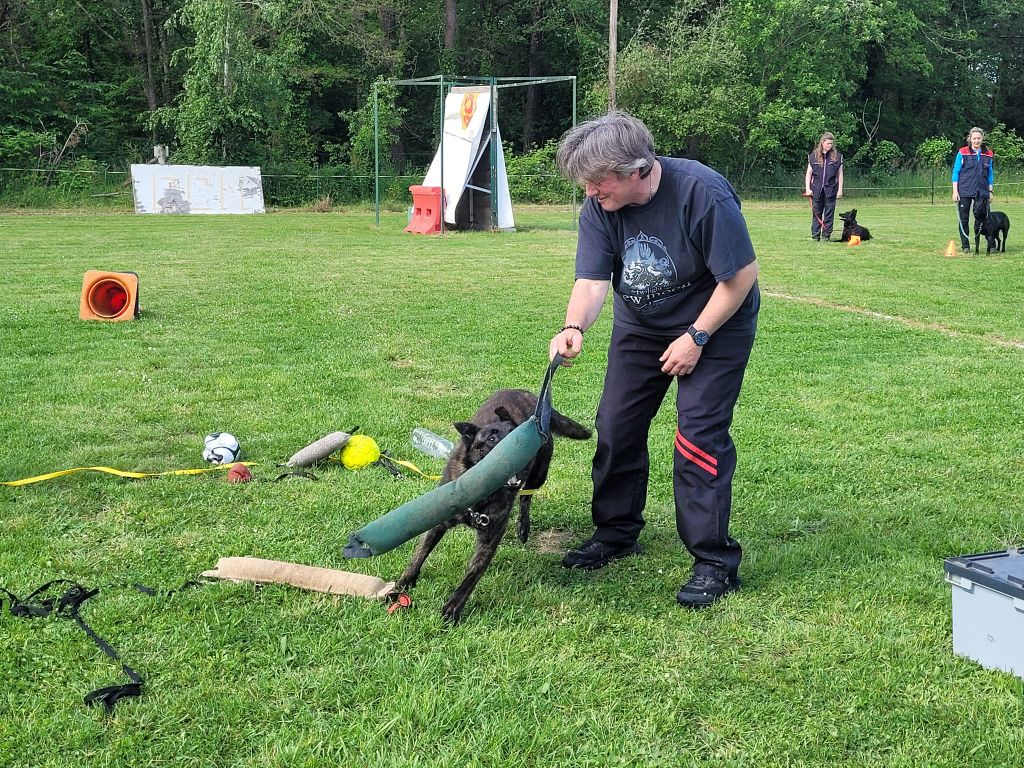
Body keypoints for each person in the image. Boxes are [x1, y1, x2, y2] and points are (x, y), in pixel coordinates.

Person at [549, 111, 760, 608]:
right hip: (641, 325)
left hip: (716, 322)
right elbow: (593, 279)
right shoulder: (600, 206)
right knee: (616, 425)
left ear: (636, 169)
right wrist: (574, 326)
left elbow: (741, 276)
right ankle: (616, 533)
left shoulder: (701, 192)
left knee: (698, 436)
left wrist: (696, 337)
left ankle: (714, 562)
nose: (589, 190)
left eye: (597, 181)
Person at [952, 127, 995, 252]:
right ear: (970, 139)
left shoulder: (988, 153)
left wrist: (991, 191)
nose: (976, 141)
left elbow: (990, 173)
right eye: (974, 138)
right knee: (964, 218)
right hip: (964, 190)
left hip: (982, 191)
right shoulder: (962, 152)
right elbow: (956, 172)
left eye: (979, 138)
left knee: (987, 218)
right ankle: (965, 246)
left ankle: (991, 245)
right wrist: (955, 191)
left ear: (982, 139)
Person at [804, 132, 844, 241]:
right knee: (816, 214)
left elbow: (840, 174)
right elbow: (809, 173)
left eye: (832, 144)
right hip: (816, 190)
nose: (830, 146)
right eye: (828, 143)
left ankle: (826, 236)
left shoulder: (838, 157)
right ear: (822, 143)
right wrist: (808, 188)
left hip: (831, 190)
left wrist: (840, 189)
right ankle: (815, 236)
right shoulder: (813, 157)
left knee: (829, 214)